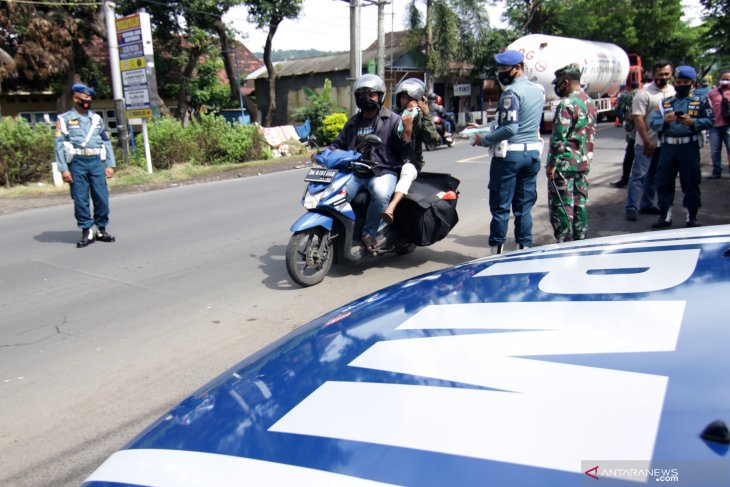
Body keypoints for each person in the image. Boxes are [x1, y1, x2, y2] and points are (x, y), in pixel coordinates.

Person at [326, 74, 414, 252]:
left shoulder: (393, 120)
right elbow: (338, 144)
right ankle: (339, 232)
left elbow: (404, 151)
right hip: (356, 172)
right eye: (362, 95)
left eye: (371, 94)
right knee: (335, 195)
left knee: (381, 195)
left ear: (380, 96)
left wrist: (407, 132)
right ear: (357, 98)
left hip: (383, 171)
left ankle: (368, 233)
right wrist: (324, 153)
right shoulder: (353, 123)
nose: (367, 98)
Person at [472, 49, 544, 254]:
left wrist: (483, 139)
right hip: (531, 155)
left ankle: (495, 255)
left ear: (518, 68)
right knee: (524, 208)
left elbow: (511, 128)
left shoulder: (511, 93)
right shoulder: (537, 90)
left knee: (501, 208)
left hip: (509, 157)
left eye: (504, 69)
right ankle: (524, 251)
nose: (500, 73)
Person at [649, 65, 714, 228]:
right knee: (664, 182)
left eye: (685, 81)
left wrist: (694, 122)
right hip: (668, 148)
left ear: (691, 83)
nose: (681, 84)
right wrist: (665, 121)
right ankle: (665, 216)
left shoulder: (700, 101)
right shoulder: (665, 103)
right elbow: (653, 122)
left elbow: (711, 121)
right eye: (678, 81)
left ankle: (691, 217)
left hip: (689, 147)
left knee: (691, 181)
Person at [55, 82, 117, 248]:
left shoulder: (96, 119)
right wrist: (63, 169)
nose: (88, 99)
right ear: (76, 98)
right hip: (77, 163)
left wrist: (110, 164)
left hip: (97, 161)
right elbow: (59, 144)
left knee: (101, 198)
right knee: (81, 199)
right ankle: (87, 230)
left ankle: (101, 229)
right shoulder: (65, 119)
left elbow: (106, 141)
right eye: (85, 97)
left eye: (90, 97)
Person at [545, 63, 597, 242]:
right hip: (583, 163)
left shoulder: (567, 104)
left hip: (564, 165)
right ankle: (581, 240)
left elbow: (558, 139)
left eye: (558, 83)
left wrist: (551, 165)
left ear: (565, 82)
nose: (557, 87)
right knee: (579, 204)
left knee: (561, 206)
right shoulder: (589, 102)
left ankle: (564, 244)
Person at [382, 78, 440, 224]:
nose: (404, 101)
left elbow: (433, 140)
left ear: (418, 100)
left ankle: (391, 207)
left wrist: (426, 114)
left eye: (408, 98)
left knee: (407, 171)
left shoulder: (420, 117)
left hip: (411, 161)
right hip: (390, 159)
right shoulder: (394, 115)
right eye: (402, 97)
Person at [624, 60, 675, 222]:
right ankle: (632, 207)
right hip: (646, 142)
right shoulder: (644, 94)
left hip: (665, 143)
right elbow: (638, 119)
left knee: (655, 175)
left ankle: (647, 203)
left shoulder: (673, 92)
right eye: (660, 74)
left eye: (667, 74)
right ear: (653, 75)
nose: (664, 77)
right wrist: (646, 141)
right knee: (639, 175)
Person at [610, 81, 640, 188]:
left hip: (633, 131)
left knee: (629, 157)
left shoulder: (627, 96)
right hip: (646, 132)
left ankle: (625, 179)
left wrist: (625, 117)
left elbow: (619, 108)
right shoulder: (644, 94)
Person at [706, 70, 730, 178]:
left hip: (728, 125)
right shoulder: (712, 93)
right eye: (723, 79)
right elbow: (707, 107)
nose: (725, 81)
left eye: (728, 79)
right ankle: (716, 171)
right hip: (714, 125)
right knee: (715, 150)